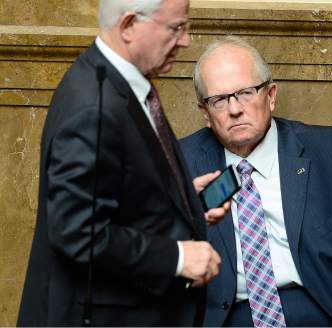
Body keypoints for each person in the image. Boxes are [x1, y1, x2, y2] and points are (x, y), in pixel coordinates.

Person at [180, 36, 332, 327]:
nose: (234, 109)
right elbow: (151, 261)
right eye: (219, 100)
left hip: (326, 314)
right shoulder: (178, 165)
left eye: (246, 92)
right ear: (205, 113)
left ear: (270, 95)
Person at [17, 0, 229, 326]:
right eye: (176, 27)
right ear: (129, 25)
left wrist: (183, 204)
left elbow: (117, 193)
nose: (186, 40)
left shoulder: (116, 82)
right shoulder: (93, 105)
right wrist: (178, 257)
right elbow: (80, 232)